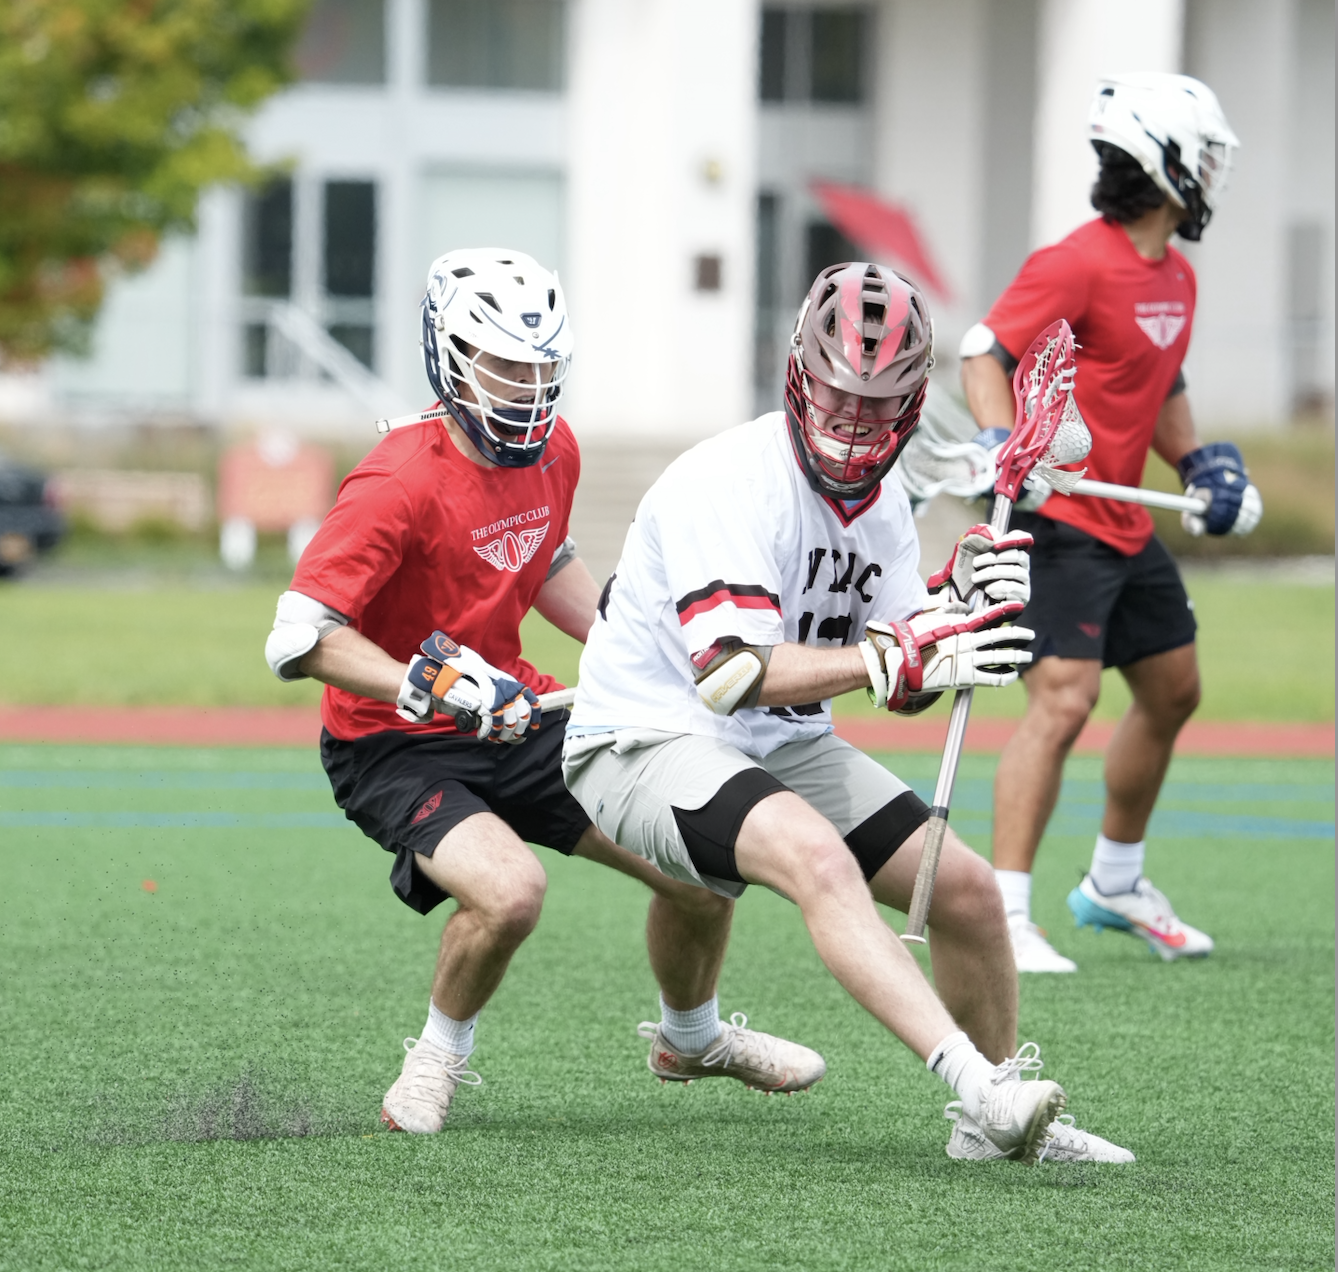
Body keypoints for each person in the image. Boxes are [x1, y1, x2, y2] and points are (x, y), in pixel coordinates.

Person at [562, 261, 1133, 1164]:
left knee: (969, 892)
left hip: (776, 739)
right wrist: (889, 653)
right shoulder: (729, 478)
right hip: (646, 735)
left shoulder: (884, 506)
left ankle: (992, 1131)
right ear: (799, 372)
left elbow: (906, 687)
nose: (853, 419)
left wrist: (954, 610)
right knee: (817, 857)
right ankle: (982, 1092)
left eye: (878, 402)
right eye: (838, 394)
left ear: (913, 402)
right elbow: (730, 673)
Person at [264, 248, 823, 1135]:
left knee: (702, 858)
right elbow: (299, 638)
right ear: (451, 359)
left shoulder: (554, 449)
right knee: (511, 892)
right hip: (392, 745)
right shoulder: (395, 480)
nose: (527, 389)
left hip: (517, 715)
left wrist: (629, 644)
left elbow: (545, 559)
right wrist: (428, 685)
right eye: (504, 366)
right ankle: (436, 1059)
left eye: (540, 368)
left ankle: (692, 1040)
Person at [958, 73, 1261, 974]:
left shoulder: (1177, 278)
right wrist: (1000, 443)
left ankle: (1114, 884)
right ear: (1164, 162)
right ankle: (1006, 914)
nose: (1214, 172)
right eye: (1205, 155)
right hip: (1058, 520)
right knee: (1065, 701)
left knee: (1173, 690)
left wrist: (1199, 464)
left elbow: (1158, 382)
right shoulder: (1075, 263)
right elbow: (984, 354)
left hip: (1125, 522)